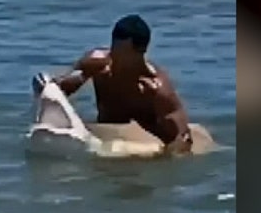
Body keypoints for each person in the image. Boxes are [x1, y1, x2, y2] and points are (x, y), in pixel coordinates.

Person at [33, 14, 194, 154]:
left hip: (140, 148)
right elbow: (65, 85)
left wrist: (163, 159)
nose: (113, 56)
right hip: (106, 142)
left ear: (141, 51)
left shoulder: (155, 89)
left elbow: (183, 137)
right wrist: (48, 86)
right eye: (113, 48)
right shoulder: (98, 64)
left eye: (121, 52)